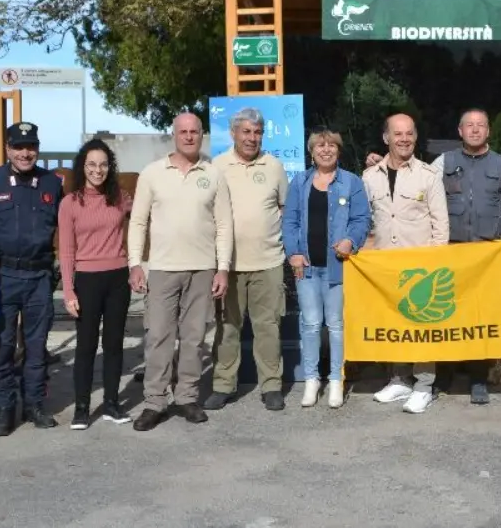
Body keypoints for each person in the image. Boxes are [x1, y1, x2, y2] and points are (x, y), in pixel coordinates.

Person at [129, 113, 233, 429]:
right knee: (159, 336)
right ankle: (154, 402)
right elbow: (138, 222)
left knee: (194, 338)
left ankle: (187, 397)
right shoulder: (152, 174)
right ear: (174, 135)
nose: (189, 136)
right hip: (162, 268)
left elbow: (224, 224)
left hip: (202, 268)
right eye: (183, 131)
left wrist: (223, 268)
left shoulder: (214, 175)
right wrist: (135, 263)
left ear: (202, 135)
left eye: (194, 132)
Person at [0, 121, 64, 435]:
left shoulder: (52, 182)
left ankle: (35, 403)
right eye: (19, 147)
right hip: (3, 276)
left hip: (39, 275)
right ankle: (2, 408)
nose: (26, 153)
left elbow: (62, 228)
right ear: (8, 148)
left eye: (31, 147)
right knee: (3, 345)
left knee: (37, 346)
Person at [203, 108, 290, 412]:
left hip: (269, 262)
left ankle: (272, 386)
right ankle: (223, 385)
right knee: (227, 327)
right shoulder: (217, 166)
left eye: (257, 132)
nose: (252, 138)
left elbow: (285, 208)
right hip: (230, 266)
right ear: (234, 134)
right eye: (246, 132)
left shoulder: (274, 166)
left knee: (268, 326)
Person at [362, 113, 449, 414]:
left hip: (421, 266)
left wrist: (436, 263)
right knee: (394, 324)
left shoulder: (428, 176)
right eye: (397, 134)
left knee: (421, 326)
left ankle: (425, 385)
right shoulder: (369, 177)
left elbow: (441, 225)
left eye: (409, 133)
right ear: (386, 138)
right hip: (385, 265)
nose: (404, 139)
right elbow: (366, 222)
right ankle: (399, 379)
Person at [283, 128, 371, 409]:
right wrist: (293, 253)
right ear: (311, 152)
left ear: (338, 150)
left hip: (338, 268)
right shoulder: (300, 182)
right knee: (309, 325)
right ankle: (312, 380)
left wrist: (351, 240)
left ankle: (336, 379)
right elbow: (290, 221)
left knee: (335, 325)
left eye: (331, 145)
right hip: (306, 268)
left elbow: (362, 219)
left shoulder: (352, 182)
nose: (325, 150)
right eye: (320, 146)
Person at [59, 139, 134, 430]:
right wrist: (68, 290)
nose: (98, 170)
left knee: (114, 344)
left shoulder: (120, 198)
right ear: (83, 167)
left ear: (110, 167)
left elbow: (144, 219)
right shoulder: (70, 203)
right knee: (86, 346)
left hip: (118, 279)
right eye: (92, 164)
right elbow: (66, 250)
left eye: (103, 164)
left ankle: (112, 404)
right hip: (86, 281)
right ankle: (81, 408)